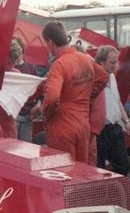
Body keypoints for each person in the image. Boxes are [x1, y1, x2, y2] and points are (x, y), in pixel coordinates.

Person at [40, 22, 108, 163]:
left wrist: (46, 115)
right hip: (83, 125)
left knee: (64, 172)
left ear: (50, 42)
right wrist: (87, 96)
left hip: (62, 125)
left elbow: (52, 98)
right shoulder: (84, 58)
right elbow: (103, 77)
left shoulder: (59, 65)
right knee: (81, 171)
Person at [94, 45, 130, 175]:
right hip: (100, 130)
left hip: (115, 128)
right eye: (112, 62)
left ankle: (120, 193)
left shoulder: (112, 77)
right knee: (98, 167)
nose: (116, 65)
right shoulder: (94, 80)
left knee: (123, 165)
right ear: (101, 62)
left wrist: (126, 121)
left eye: (117, 62)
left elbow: (117, 100)